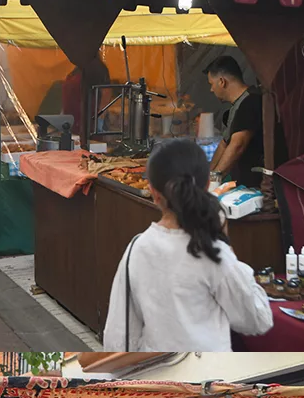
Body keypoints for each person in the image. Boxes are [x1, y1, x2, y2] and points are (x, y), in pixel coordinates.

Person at [104, 138, 273, 351]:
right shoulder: (213, 251)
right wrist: (226, 244)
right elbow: (258, 320)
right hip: (211, 374)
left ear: (154, 193)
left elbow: (118, 335)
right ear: (205, 186)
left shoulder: (137, 249)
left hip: (158, 374)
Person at [206, 55, 286, 195]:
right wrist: (208, 177)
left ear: (222, 82)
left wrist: (214, 181)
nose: (211, 90)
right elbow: (224, 144)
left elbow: (238, 145)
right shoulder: (236, 107)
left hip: (258, 187)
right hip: (244, 184)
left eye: (211, 84)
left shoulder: (251, 102)